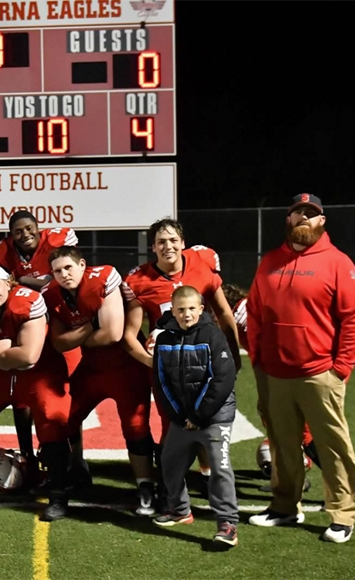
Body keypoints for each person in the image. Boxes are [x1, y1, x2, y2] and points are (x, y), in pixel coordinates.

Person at [247, 193, 355, 544]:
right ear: (289, 220)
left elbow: (350, 319)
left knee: (331, 446)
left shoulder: (337, 262)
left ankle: (343, 513)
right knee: (283, 445)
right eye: (298, 213)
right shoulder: (269, 262)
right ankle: (285, 506)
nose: (304, 219)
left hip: (319, 371)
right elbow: (256, 313)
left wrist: (341, 367)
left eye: (311, 214)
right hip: (274, 372)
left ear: (322, 221)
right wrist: (259, 358)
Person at [121, 218, 240, 500]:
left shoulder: (203, 266)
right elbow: (129, 335)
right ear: (152, 247)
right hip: (171, 368)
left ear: (183, 243)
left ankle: (208, 479)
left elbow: (224, 314)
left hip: (205, 363)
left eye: (173, 240)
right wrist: (153, 364)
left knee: (208, 423)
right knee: (173, 427)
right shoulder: (138, 280)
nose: (168, 246)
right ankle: (172, 488)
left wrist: (233, 357)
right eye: (161, 242)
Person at [43, 247, 155, 515]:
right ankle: (72, 473)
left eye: (68, 268)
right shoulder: (52, 294)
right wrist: (91, 326)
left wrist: (79, 335)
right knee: (62, 420)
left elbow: (114, 334)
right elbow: (59, 343)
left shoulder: (103, 276)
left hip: (127, 367)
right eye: (58, 270)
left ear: (82, 265)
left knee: (136, 428)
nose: (64, 274)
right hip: (91, 366)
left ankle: (146, 488)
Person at [0, 264, 71, 521]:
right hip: (0, 372)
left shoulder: (28, 301)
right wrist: (8, 343)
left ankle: (58, 493)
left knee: (52, 420)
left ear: (9, 283)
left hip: (41, 372)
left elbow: (29, 356)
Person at [0, 211, 80, 471]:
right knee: (23, 392)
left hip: (60, 322)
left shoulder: (57, 240)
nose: (25, 234)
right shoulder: (1, 252)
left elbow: (58, 280)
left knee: (65, 394)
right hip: (25, 326)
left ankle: (72, 458)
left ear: (38, 227)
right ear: (10, 235)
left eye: (29, 228)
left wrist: (21, 280)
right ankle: (28, 453)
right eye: (18, 231)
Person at [151, 285, 239, 548]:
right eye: (180, 309)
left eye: (191, 308)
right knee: (169, 462)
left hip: (214, 417)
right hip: (183, 418)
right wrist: (178, 415)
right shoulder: (165, 339)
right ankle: (180, 511)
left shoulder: (213, 335)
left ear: (201, 309)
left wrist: (199, 416)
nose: (186, 314)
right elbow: (160, 380)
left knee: (219, 468)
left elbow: (222, 379)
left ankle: (227, 523)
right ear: (172, 310)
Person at [222, 283, 319, 488]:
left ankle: (341, 484)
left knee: (303, 433)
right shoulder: (245, 311)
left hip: (288, 376)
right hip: (290, 374)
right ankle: (292, 479)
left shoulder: (243, 317)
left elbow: (271, 349)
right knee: (286, 428)